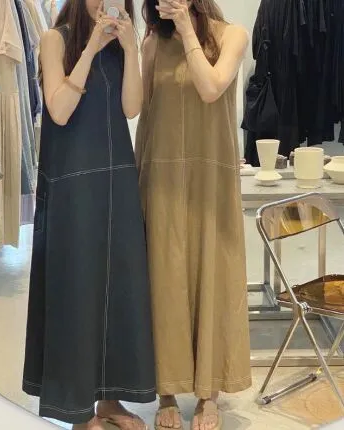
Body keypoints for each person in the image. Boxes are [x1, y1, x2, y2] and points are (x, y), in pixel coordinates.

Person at [22, 0, 156, 429]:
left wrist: (130, 50)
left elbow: (131, 108)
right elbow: (59, 110)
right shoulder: (54, 40)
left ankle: (110, 402)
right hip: (72, 184)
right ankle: (78, 412)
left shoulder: (120, 45)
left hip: (116, 179)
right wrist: (90, 50)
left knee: (118, 289)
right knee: (76, 291)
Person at [135, 0, 252, 429]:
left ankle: (209, 395)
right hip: (160, 176)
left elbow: (211, 87)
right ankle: (165, 391)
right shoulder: (153, 44)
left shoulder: (232, 36)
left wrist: (187, 30)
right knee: (162, 280)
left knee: (212, 277)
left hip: (211, 180)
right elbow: (141, 109)